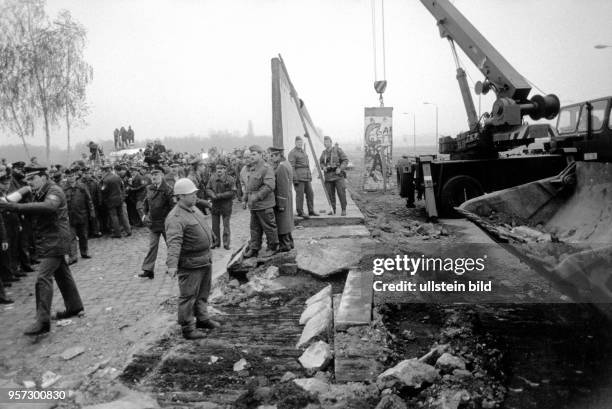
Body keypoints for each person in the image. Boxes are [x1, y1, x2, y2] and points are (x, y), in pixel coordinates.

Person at [0, 166, 84, 335]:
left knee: (42, 278)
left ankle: (42, 321)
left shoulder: (54, 191)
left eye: (32, 179)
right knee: (62, 275)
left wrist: (14, 207)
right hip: (50, 241)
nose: (29, 183)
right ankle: (74, 307)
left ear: (43, 177)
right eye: (27, 180)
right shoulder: (41, 191)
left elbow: (48, 207)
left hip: (55, 241)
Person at [165, 178, 219, 340]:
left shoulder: (193, 208)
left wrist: (211, 235)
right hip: (190, 264)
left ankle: (202, 319)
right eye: (191, 194)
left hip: (204, 260)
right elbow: (174, 243)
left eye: (195, 193)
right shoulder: (175, 218)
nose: (195, 196)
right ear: (180, 196)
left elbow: (203, 225)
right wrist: (172, 265)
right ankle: (188, 328)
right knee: (188, 296)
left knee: (203, 292)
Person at [243, 145, 278, 258]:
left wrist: (257, 197)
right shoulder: (252, 168)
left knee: (268, 227)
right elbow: (249, 187)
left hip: (264, 204)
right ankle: (254, 248)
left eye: (254, 154)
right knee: (254, 228)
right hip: (254, 205)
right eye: (251, 154)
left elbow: (269, 186)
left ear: (261, 154)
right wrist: (245, 199)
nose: (252, 157)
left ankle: (272, 247)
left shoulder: (266, 168)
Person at [139, 168, 174, 279]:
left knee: (171, 245)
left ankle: (172, 266)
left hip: (165, 223)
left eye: (156, 174)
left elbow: (172, 207)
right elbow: (145, 203)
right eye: (152, 175)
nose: (154, 177)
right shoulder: (149, 188)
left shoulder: (168, 190)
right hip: (153, 223)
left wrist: (170, 221)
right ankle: (148, 270)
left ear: (162, 175)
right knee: (152, 246)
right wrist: (144, 215)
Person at [63, 168, 95, 263]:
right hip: (70, 216)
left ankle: (84, 252)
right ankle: (73, 256)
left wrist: (92, 212)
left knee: (83, 235)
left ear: (75, 176)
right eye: (69, 176)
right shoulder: (63, 189)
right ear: (66, 177)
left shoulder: (82, 186)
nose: (71, 178)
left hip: (82, 215)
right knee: (71, 237)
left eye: (72, 176)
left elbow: (89, 200)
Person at [269, 146, 294, 252]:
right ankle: (289, 242)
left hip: (282, 198)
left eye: (273, 156)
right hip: (286, 197)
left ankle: (285, 246)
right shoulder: (285, 164)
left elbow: (282, 186)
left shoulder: (281, 167)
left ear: (279, 155)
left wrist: (281, 203)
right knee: (286, 222)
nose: (271, 158)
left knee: (282, 223)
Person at [206, 162, 236, 250]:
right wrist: (212, 194)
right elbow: (208, 188)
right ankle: (216, 242)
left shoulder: (230, 179)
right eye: (218, 169)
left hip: (226, 205)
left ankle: (226, 243)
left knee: (226, 225)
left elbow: (233, 192)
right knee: (215, 225)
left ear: (225, 169)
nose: (219, 170)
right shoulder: (212, 178)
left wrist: (219, 195)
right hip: (215, 205)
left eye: (222, 168)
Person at [288, 135, 317, 218]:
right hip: (299, 178)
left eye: (301, 142)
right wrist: (295, 178)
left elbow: (307, 165)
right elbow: (291, 167)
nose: (300, 144)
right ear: (295, 143)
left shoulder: (303, 152)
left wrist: (310, 175)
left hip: (306, 177)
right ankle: (300, 212)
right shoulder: (292, 153)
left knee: (310, 194)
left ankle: (311, 211)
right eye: (298, 142)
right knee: (300, 196)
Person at [319, 136, 349, 216]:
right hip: (328, 177)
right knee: (330, 195)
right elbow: (321, 162)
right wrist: (323, 167)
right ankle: (333, 209)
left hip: (338, 176)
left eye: (328, 142)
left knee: (341, 193)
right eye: (325, 142)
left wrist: (340, 168)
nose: (326, 143)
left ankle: (343, 209)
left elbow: (345, 160)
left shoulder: (337, 150)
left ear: (331, 142)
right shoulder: (323, 153)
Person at [100, 164, 131, 238]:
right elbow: (122, 187)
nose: (101, 172)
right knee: (122, 215)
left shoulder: (105, 180)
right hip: (119, 199)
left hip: (111, 200)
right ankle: (128, 230)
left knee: (114, 216)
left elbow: (103, 191)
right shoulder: (117, 177)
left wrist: (100, 183)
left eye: (102, 171)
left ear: (105, 171)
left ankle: (117, 233)